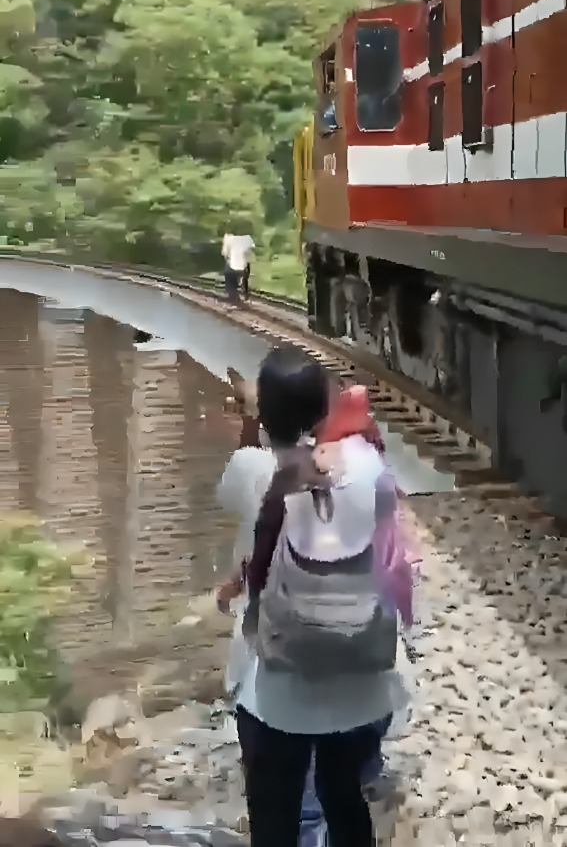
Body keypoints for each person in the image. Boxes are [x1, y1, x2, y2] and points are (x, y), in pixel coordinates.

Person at [217, 349, 412, 847]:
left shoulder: (252, 469)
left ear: (264, 416)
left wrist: (251, 424)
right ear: (324, 412)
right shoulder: (368, 467)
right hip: (361, 679)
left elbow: (237, 492)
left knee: (274, 803)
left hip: (280, 691)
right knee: (343, 794)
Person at [222, 233, 255, 301]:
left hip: (233, 263)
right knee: (244, 278)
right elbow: (250, 250)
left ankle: (233, 293)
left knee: (230, 276)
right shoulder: (246, 238)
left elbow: (225, 253)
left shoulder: (229, 239)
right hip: (243, 263)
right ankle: (244, 293)